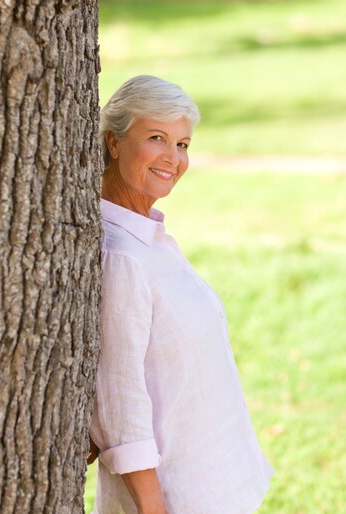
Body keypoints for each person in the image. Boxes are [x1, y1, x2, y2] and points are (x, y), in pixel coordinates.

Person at [88, 75, 273, 514]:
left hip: (219, 481)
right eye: (157, 138)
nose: (173, 158)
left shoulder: (147, 237)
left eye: (183, 144)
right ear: (113, 143)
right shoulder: (122, 257)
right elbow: (119, 400)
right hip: (177, 499)